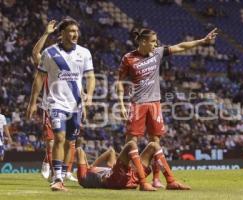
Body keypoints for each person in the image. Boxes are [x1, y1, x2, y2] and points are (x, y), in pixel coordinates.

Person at [117, 27, 218, 187]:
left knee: (155, 141)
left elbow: (180, 46)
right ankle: (128, 176)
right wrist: (122, 104)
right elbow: (119, 81)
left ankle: (156, 179)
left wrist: (201, 41)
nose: (155, 44)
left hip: (155, 103)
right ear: (143, 42)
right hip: (137, 104)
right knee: (131, 142)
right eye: (153, 41)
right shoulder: (128, 58)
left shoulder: (157, 53)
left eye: (156, 41)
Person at [26, 17, 96, 191]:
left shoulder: (84, 53)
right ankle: (57, 177)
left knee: (70, 142)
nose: (75, 34)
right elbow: (39, 78)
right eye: (71, 31)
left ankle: (63, 174)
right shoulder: (50, 53)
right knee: (58, 138)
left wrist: (89, 95)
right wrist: (32, 102)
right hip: (55, 103)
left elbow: (90, 77)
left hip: (76, 105)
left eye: (76, 31)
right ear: (62, 33)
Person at [32, 20, 77, 182]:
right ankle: (54, 173)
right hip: (51, 105)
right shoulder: (49, 57)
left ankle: (65, 171)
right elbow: (35, 53)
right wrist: (46, 33)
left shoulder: (74, 57)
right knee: (52, 141)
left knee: (69, 142)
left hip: (71, 105)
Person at [76, 141, 190, 190]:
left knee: (154, 146)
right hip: (115, 181)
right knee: (131, 144)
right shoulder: (83, 177)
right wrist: (89, 165)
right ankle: (143, 183)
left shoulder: (97, 170)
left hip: (126, 177)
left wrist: (91, 165)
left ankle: (171, 182)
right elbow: (79, 150)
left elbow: (110, 151)